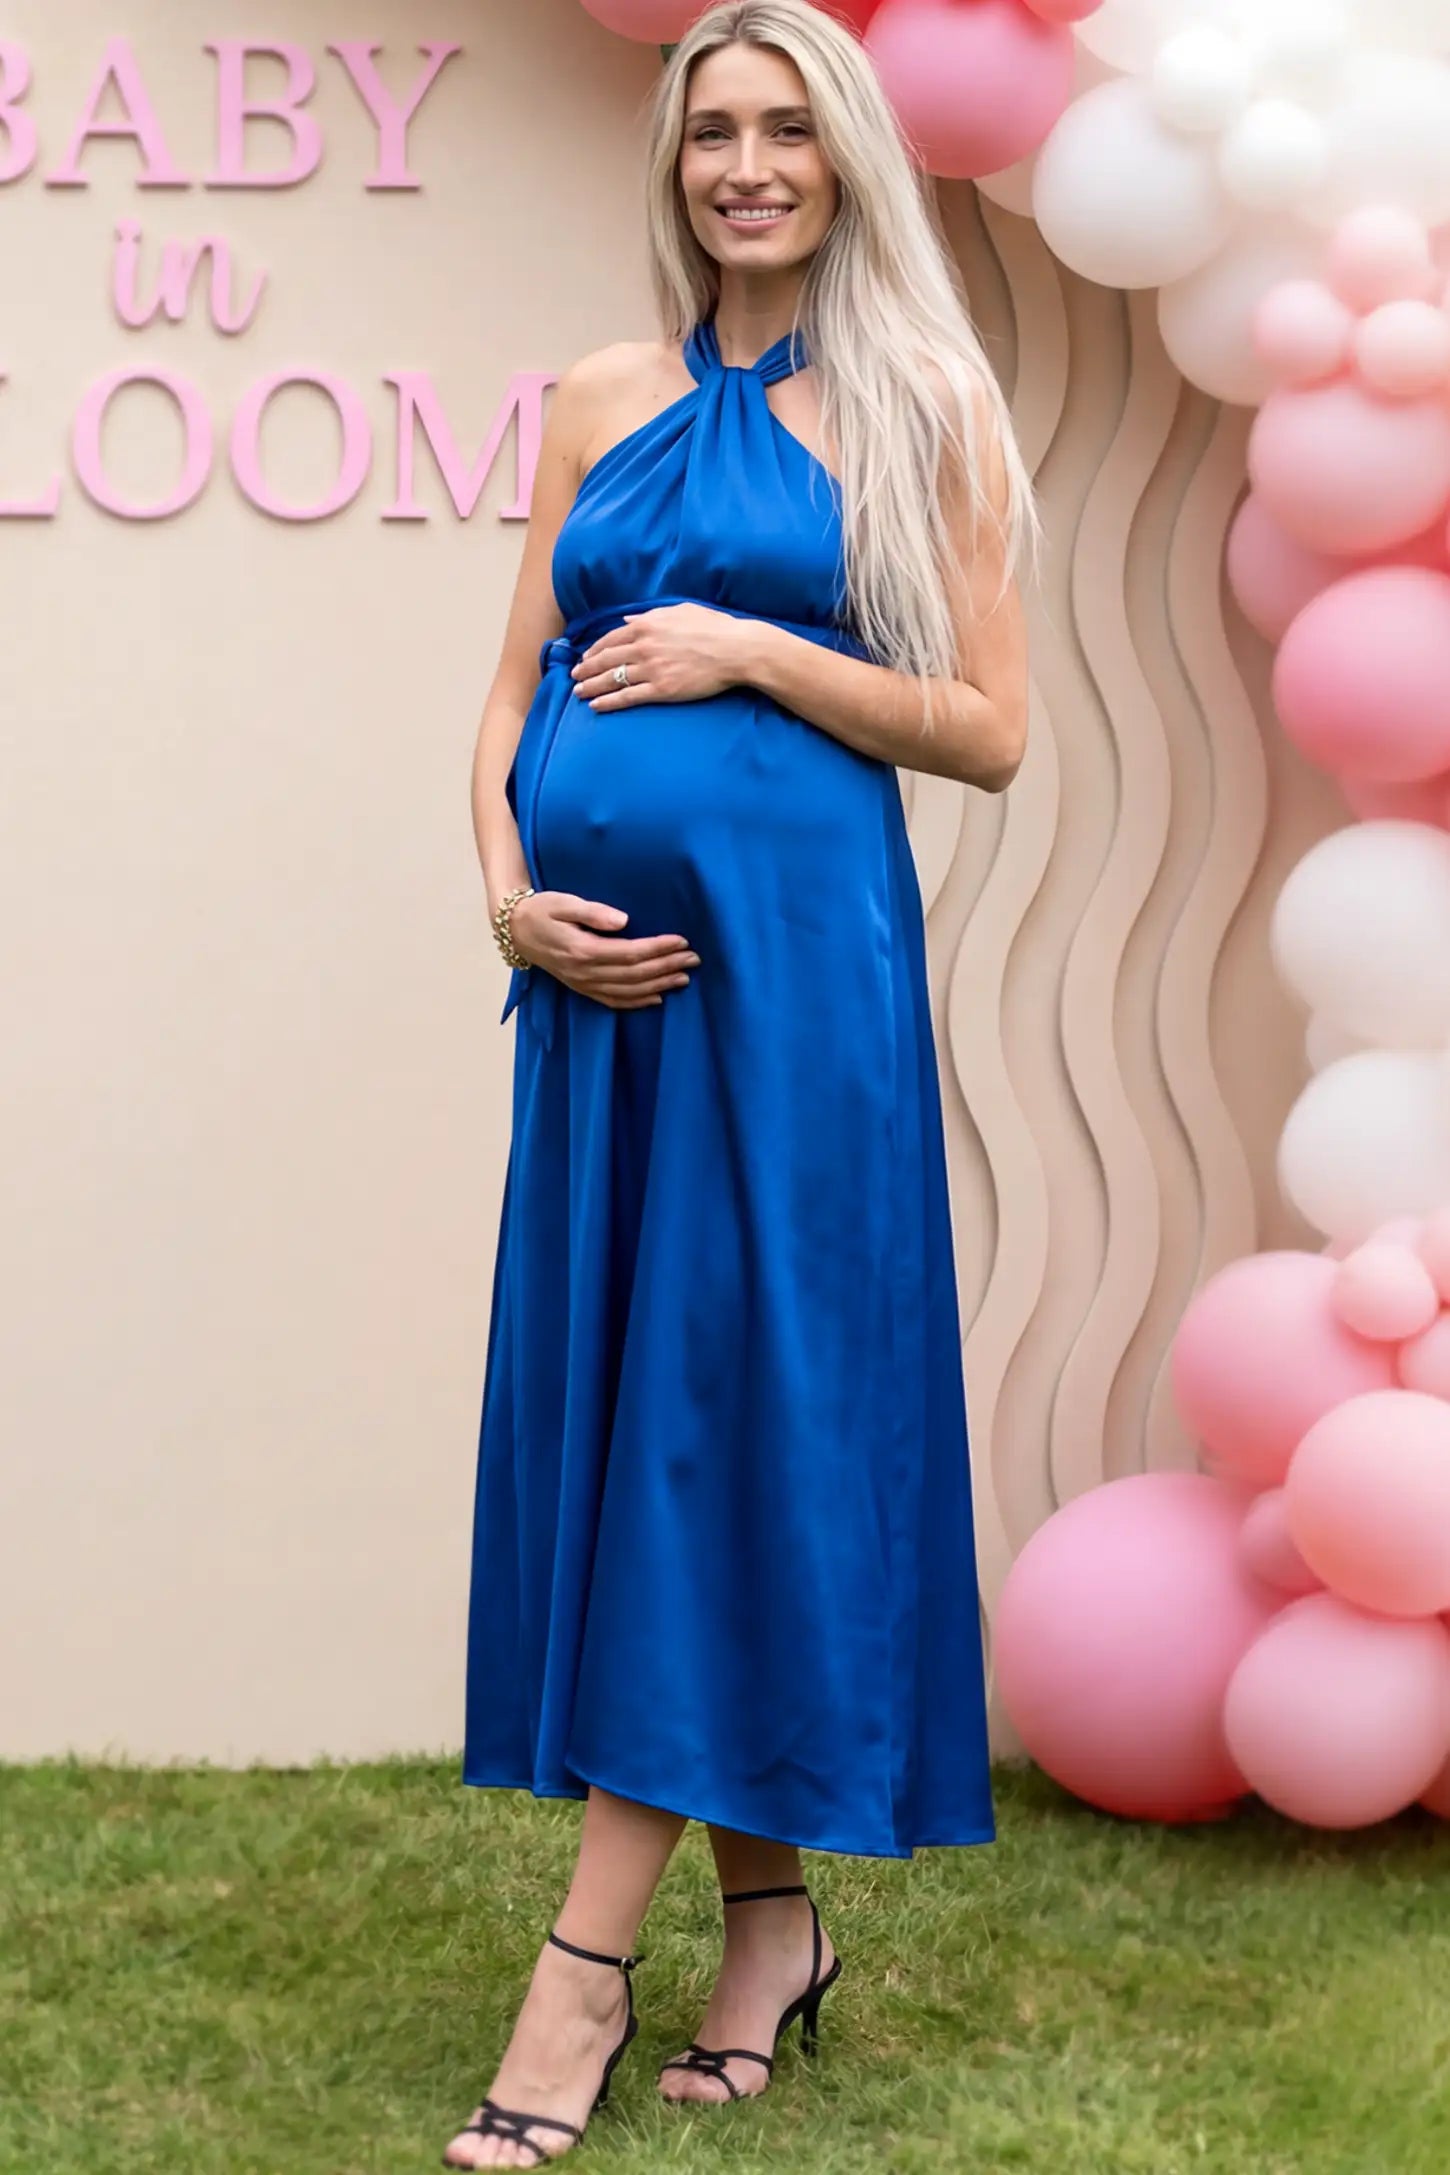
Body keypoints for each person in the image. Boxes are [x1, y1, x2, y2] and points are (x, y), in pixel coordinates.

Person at [443, 1, 1035, 2164]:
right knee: (648, 1429)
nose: (748, 165)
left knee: (717, 1427)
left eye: (788, 127)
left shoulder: (920, 405)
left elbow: (987, 729)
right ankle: (767, 1925)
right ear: (675, 163)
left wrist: (749, 647)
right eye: (714, 130)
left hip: (794, 1005)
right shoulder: (598, 395)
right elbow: (505, 698)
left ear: (845, 156)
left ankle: (577, 1976)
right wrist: (510, 903)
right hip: (603, 1016)